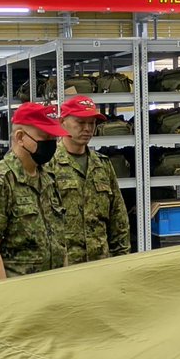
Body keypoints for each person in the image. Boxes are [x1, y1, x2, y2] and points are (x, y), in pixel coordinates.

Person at [0, 102, 67, 280]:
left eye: (52, 139)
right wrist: (4, 299)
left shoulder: (47, 178)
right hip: (19, 292)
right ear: (20, 137)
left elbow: (59, 242)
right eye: (44, 137)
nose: (50, 144)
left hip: (53, 288)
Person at [51, 96, 131, 264]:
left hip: (100, 264)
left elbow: (119, 218)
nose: (87, 129)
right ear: (62, 122)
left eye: (92, 123)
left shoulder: (102, 165)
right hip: (63, 268)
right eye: (80, 123)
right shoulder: (48, 166)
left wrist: (122, 261)